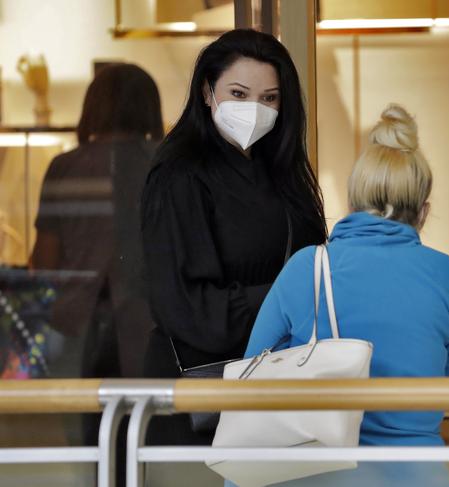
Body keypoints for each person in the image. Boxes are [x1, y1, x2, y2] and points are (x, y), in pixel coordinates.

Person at [238, 104, 449, 486]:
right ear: (424, 213)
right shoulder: (446, 274)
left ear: (350, 204)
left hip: (317, 472)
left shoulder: (307, 267)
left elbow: (249, 375)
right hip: (416, 475)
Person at [140, 29, 327, 446]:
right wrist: (284, 298)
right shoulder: (179, 175)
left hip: (275, 390)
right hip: (202, 401)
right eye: (239, 94)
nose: (254, 110)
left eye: (269, 98)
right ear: (207, 92)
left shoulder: (282, 173)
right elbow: (184, 305)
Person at [32, 62, 162, 380]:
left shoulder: (64, 166)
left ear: (93, 107)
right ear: (149, 107)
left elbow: (44, 262)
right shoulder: (163, 164)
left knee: (84, 421)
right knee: (146, 423)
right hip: (150, 327)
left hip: (75, 328)